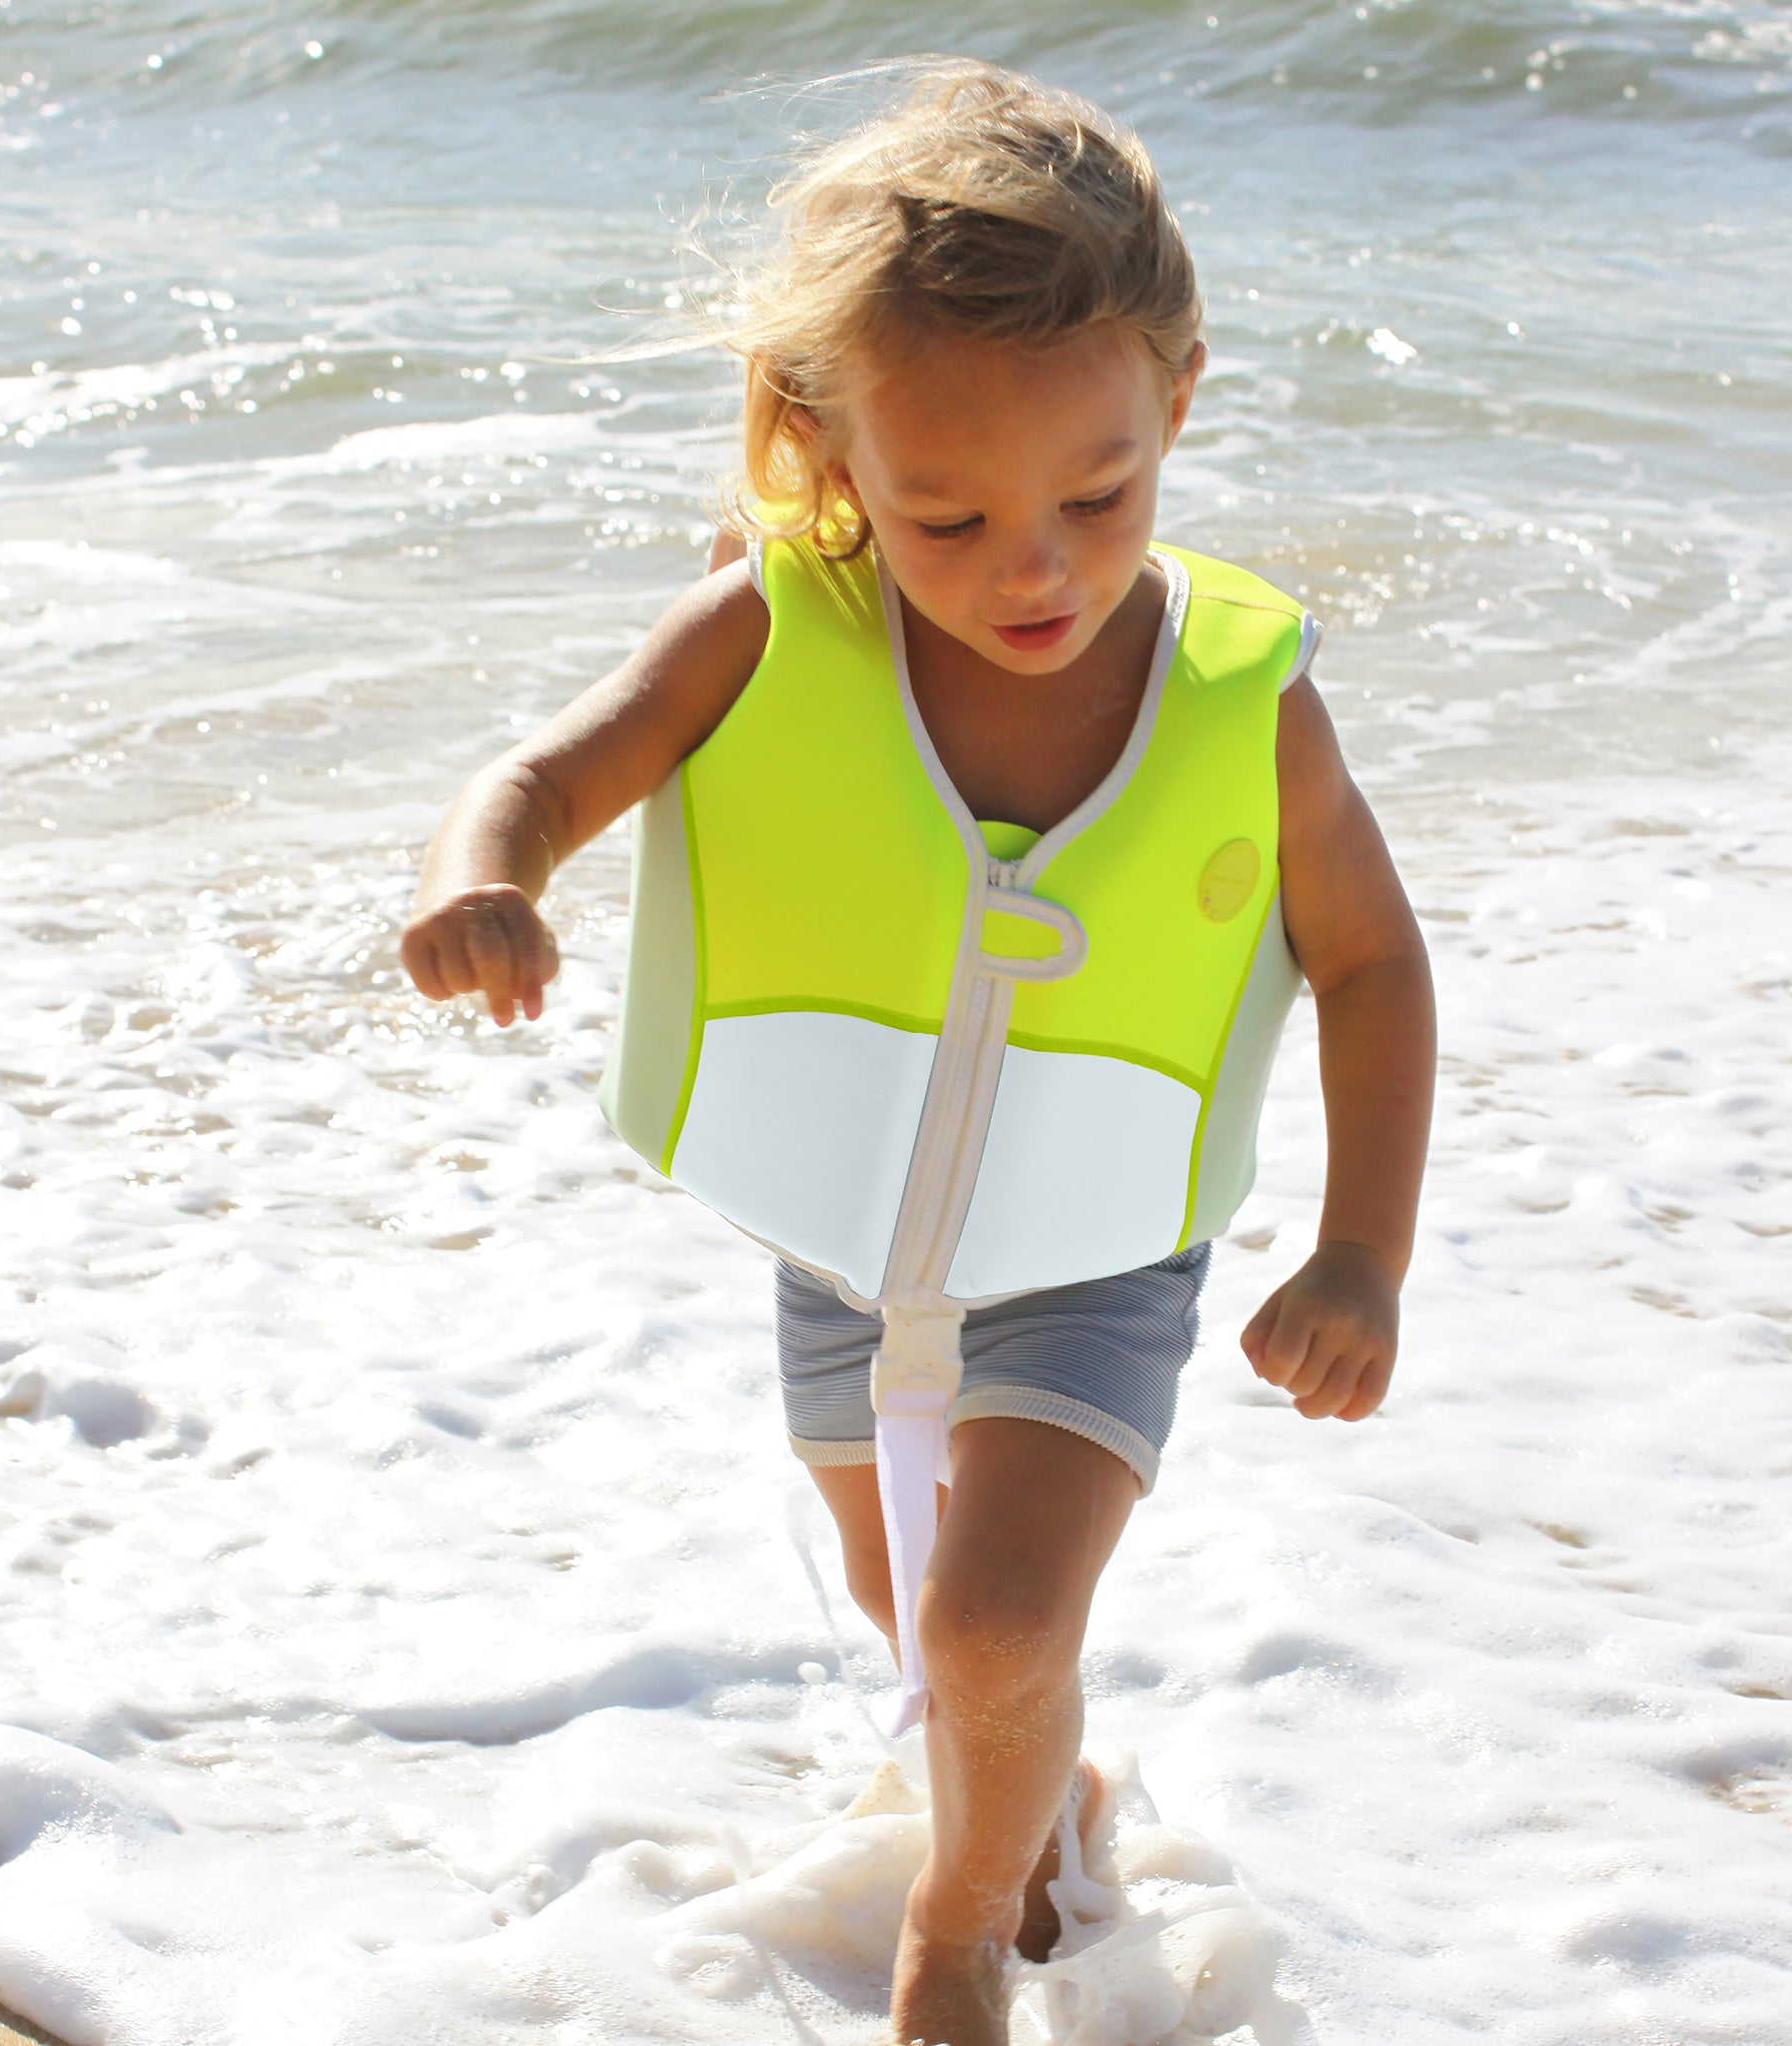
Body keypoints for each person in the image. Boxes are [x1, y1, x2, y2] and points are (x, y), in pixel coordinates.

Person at [400, 59, 1435, 2046]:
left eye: (1098, 495)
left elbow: (1374, 960)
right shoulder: (766, 623)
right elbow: (545, 768)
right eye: (947, 512)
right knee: (925, 1634)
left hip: (1096, 1246)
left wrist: (1360, 1249)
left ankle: (954, 1933)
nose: (1033, 566)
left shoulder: (1245, 705)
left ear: (1177, 407)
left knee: (988, 1618)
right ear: (830, 455)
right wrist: (489, 874)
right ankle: (1043, 1795)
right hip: (844, 1239)